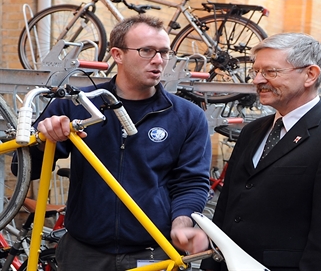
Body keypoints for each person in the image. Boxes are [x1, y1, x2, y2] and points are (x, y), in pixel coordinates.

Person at [173, 32, 321, 270]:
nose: (257, 80)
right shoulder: (253, 131)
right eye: (255, 72)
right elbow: (227, 208)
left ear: (310, 75)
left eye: (270, 72)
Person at [29, 15, 211, 271]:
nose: (158, 60)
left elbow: (191, 182)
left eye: (164, 52)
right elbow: (25, 170)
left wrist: (182, 224)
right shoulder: (77, 105)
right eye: (147, 50)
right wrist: (41, 139)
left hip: (153, 251)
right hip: (84, 253)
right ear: (117, 54)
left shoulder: (187, 116)